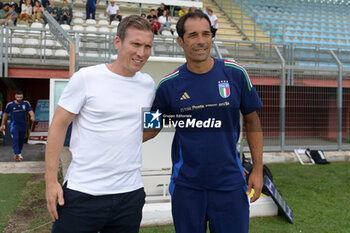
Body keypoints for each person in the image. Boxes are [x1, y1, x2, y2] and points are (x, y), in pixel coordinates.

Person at [143, 11, 263, 233]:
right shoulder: (168, 86)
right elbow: (149, 129)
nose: (201, 41)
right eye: (193, 35)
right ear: (181, 41)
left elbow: (253, 122)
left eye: (206, 34)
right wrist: (111, 135)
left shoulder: (235, 74)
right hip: (187, 187)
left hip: (230, 185)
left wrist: (257, 170)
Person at [45, 15, 155, 233]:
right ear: (118, 42)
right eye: (135, 44)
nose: (141, 53)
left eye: (147, 46)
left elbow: (148, 128)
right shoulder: (87, 78)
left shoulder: (148, 84)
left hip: (129, 195)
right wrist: (50, 182)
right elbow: (58, 125)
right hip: (83, 194)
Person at [0, 90, 35, 162]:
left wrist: (32, 116)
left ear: (22, 96)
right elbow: (5, 114)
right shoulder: (10, 105)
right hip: (14, 125)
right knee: (15, 139)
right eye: (18, 97)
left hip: (23, 125)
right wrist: (2, 125)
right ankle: (17, 154)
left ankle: (19, 153)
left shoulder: (26, 103)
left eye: (21, 97)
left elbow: (30, 111)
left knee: (21, 140)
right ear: (15, 96)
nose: (19, 98)